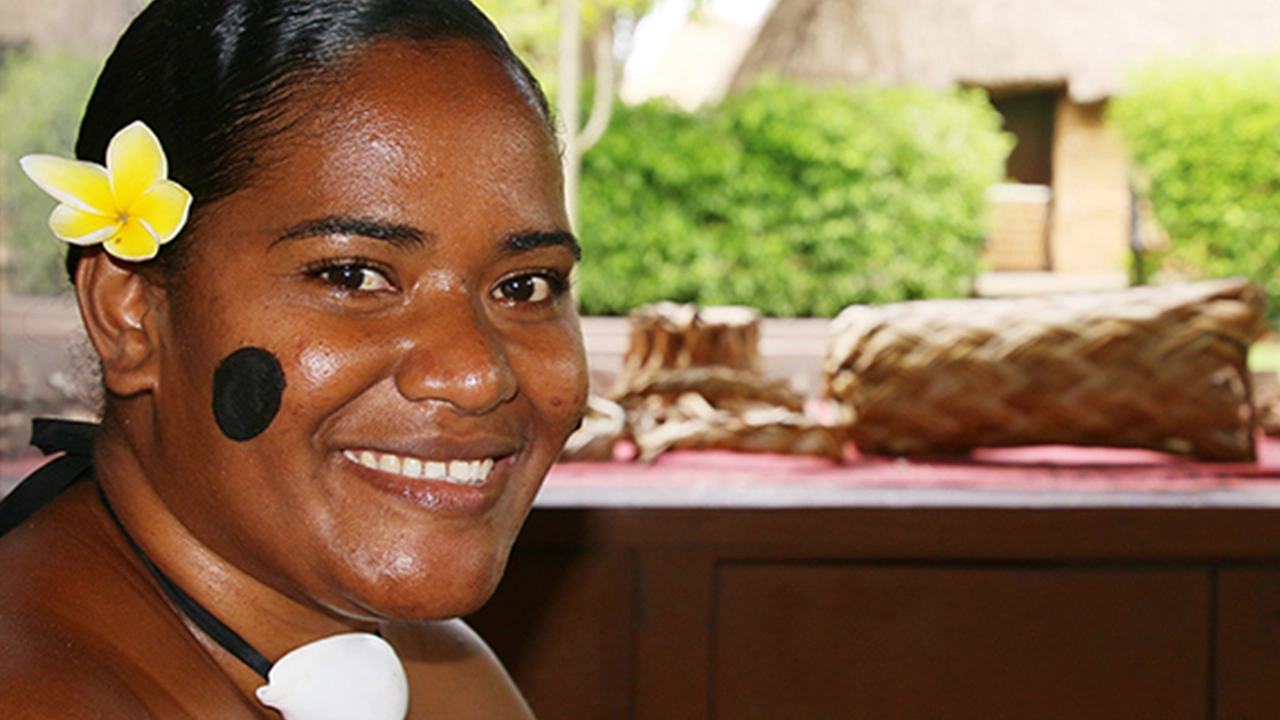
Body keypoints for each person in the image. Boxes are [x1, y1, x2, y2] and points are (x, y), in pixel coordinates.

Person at [0, 1, 588, 717]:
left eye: (524, 286)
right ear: (131, 314)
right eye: (351, 276)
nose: (475, 374)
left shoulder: (438, 661)